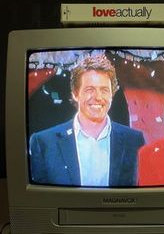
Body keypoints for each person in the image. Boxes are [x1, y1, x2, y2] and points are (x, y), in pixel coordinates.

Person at [29, 54, 145, 187]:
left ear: (112, 94)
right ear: (75, 93)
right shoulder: (44, 143)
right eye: (90, 89)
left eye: (104, 90)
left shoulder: (134, 140)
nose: (98, 97)